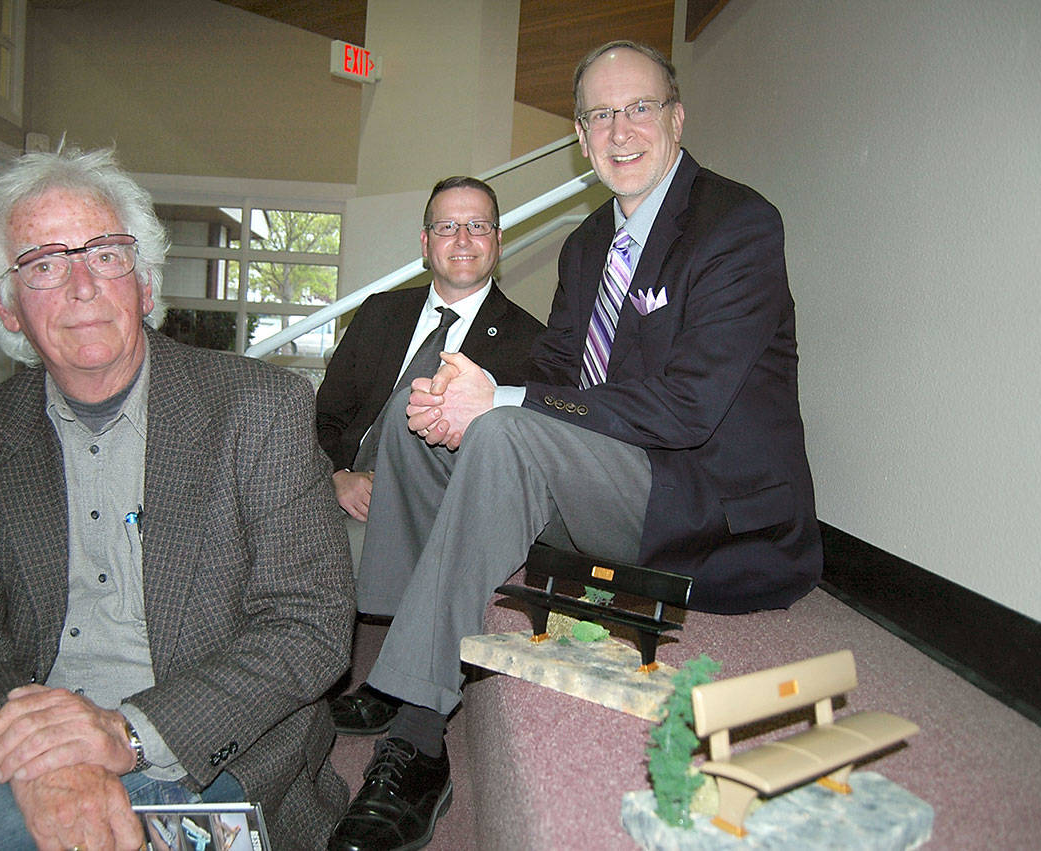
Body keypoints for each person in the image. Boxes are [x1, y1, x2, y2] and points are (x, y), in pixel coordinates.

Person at [326, 41, 822, 851]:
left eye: (640, 108)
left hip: (703, 497)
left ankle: (417, 741)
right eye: (600, 114)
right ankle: (403, 648)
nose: (621, 130)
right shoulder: (589, 242)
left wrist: (504, 402)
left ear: (676, 119)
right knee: (422, 425)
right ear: (581, 140)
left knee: (510, 431)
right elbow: (560, 370)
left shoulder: (738, 224)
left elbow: (688, 409)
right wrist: (460, 403)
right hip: (610, 476)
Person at [0, 147, 355, 851]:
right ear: (7, 305)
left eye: (104, 254)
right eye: (43, 263)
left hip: (201, 736)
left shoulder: (259, 408)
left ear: (145, 284)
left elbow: (310, 625)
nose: (82, 286)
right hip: (22, 707)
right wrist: (28, 748)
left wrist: (123, 731)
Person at [314, 176, 543, 561]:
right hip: (341, 501)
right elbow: (324, 417)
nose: (463, 239)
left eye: (478, 226)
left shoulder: (533, 343)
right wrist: (337, 477)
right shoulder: (377, 314)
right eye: (447, 227)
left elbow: (518, 466)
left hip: (441, 521)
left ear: (498, 242)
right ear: (426, 243)